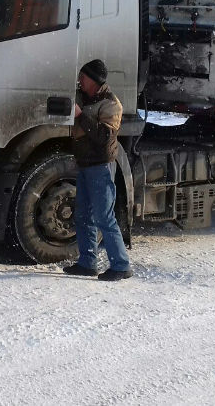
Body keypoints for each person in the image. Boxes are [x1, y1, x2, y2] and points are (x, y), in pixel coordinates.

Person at [63, 59, 133, 281]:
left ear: (94, 80)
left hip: (100, 166)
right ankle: (87, 262)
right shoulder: (83, 97)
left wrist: (80, 116)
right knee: (83, 216)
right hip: (85, 164)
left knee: (104, 216)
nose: (79, 81)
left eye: (83, 77)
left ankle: (121, 265)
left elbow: (104, 137)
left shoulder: (112, 104)